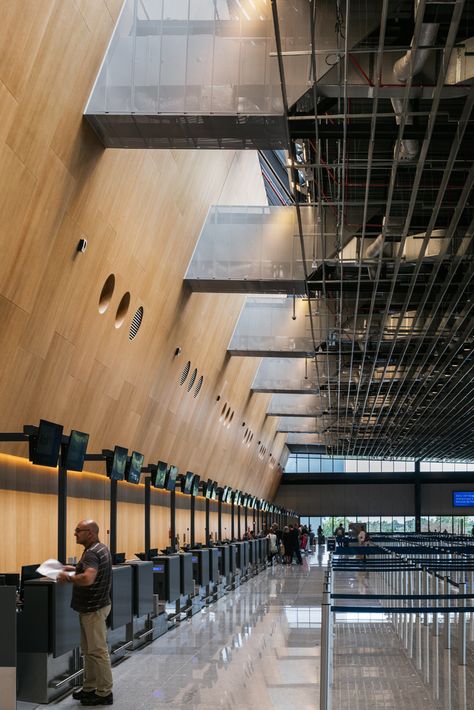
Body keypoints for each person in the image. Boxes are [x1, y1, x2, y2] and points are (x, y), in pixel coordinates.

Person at [58, 520, 113, 706]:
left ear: (90, 533)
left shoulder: (91, 553)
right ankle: (90, 687)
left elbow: (89, 578)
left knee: (97, 651)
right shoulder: (100, 548)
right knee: (89, 651)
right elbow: (90, 570)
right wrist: (73, 569)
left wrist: (68, 577)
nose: (75, 534)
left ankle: (104, 692)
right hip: (96, 606)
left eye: (78, 531)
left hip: (93, 609)